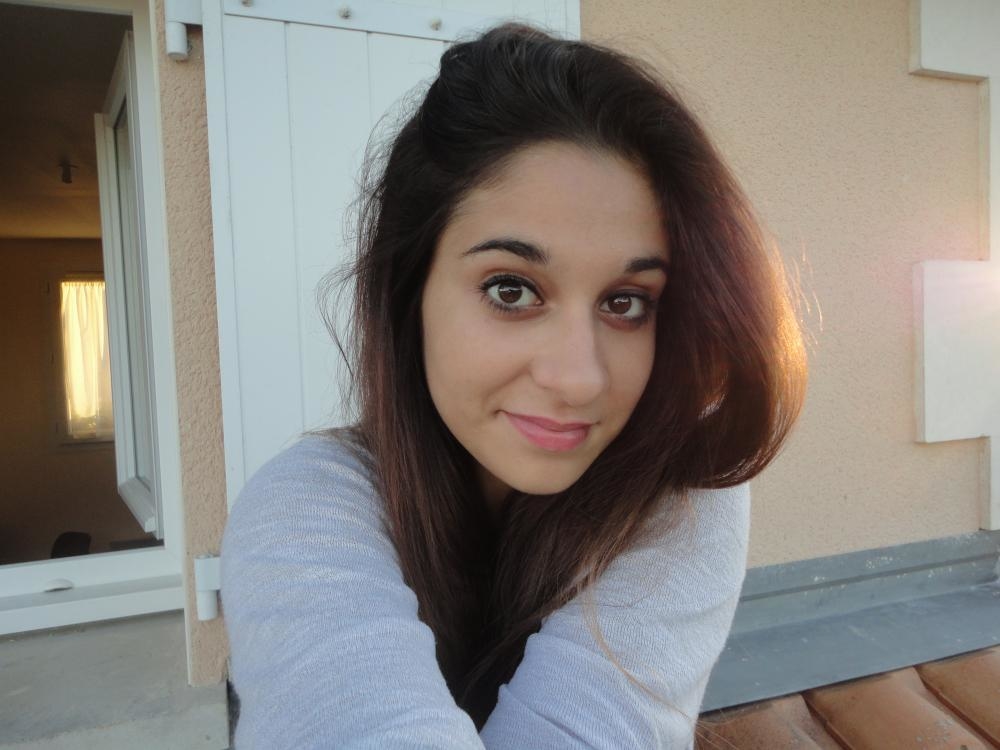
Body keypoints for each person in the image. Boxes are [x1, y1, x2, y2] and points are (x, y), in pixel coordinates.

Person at [220, 22, 807, 749]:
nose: (579, 379)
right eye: (511, 289)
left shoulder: (681, 491)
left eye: (626, 302)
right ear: (410, 292)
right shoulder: (300, 507)